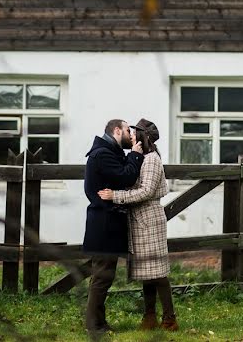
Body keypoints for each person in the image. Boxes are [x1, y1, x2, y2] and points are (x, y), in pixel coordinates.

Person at [98, 118, 178, 332]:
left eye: (134, 132)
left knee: (158, 272)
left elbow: (146, 192)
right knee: (147, 272)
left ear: (144, 136)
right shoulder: (141, 157)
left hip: (149, 219)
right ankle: (149, 317)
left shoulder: (151, 160)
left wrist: (116, 196)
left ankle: (169, 319)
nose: (131, 134)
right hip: (139, 220)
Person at [83, 118, 145, 335]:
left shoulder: (107, 152)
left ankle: (99, 322)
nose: (131, 135)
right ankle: (93, 325)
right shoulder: (103, 154)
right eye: (128, 130)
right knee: (102, 277)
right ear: (117, 130)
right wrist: (136, 155)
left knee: (102, 276)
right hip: (104, 224)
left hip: (106, 222)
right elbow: (125, 177)